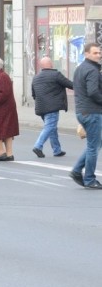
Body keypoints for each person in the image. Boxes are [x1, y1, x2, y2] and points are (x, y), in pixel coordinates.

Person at [70, 43, 102, 189]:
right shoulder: (92, 70)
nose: (99, 55)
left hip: (83, 111)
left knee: (95, 144)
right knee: (93, 147)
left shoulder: (80, 68)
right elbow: (93, 92)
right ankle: (89, 179)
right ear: (86, 54)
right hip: (92, 112)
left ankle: (77, 170)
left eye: (99, 52)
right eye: (95, 53)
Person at [31, 56, 73, 158]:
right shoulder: (56, 75)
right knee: (50, 127)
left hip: (41, 108)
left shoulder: (35, 77)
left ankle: (57, 150)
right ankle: (38, 146)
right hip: (52, 107)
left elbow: (33, 94)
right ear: (51, 64)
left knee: (52, 128)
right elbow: (70, 84)